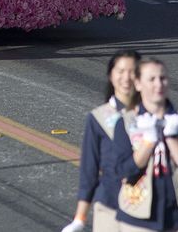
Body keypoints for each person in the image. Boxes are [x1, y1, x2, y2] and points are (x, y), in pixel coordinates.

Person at [112, 57, 178, 231]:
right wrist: (148, 140)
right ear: (138, 84)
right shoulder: (126, 123)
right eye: (151, 79)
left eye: (163, 78)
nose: (158, 84)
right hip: (137, 218)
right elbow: (124, 173)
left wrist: (172, 137)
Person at [61, 50, 140, 232]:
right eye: (120, 71)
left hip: (145, 207)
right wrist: (80, 219)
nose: (126, 78)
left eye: (132, 72)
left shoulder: (154, 116)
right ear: (110, 76)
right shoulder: (98, 118)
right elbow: (89, 168)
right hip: (109, 205)